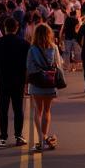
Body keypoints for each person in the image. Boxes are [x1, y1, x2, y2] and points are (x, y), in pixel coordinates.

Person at [0, 16, 30, 146]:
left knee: (3, 110)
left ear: (4, 28)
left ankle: (3, 138)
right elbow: (27, 65)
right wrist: (26, 83)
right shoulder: (24, 43)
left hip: (3, 80)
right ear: (16, 28)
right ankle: (18, 136)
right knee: (18, 109)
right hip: (18, 81)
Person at [27, 22, 61, 151]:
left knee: (37, 110)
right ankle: (45, 136)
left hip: (37, 82)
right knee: (47, 110)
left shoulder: (32, 49)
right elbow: (58, 64)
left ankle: (40, 139)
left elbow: (29, 67)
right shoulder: (54, 47)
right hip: (50, 82)